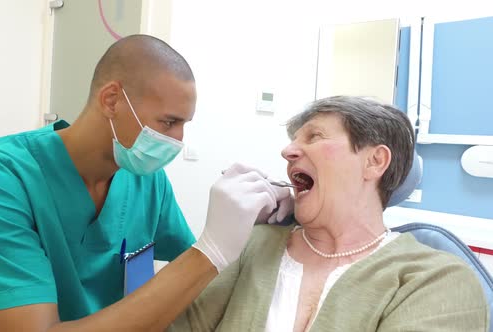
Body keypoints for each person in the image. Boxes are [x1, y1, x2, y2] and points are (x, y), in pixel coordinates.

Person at [0, 34, 292, 332]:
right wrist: (211, 251)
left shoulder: (147, 180)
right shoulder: (1, 175)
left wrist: (250, 228)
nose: (178, 140)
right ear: (111, 99)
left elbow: (192, 277)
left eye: (184, 124)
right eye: (169, 122)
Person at [168, 96, 490, 331]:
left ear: (375, 161)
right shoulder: (252, 245)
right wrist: (211, 249)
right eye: (293, 141)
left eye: (314, 136)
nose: (288, 152)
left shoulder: (435, 279)